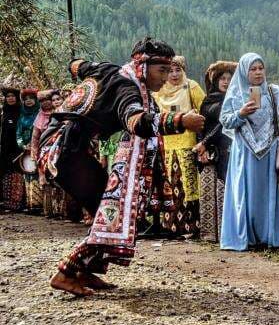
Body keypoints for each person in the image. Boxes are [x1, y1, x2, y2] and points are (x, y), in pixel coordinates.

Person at [41, 37, 205, 296]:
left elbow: (76, 65)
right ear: (141, 66)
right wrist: (181, 120)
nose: (164, 78)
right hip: (64, 150)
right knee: (111, 215)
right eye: (161, 70)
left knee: (104, 212)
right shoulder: (127, 89)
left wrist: (83, 79)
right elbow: (137, 123)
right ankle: (65, 273)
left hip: (62, 146)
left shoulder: (107, 69)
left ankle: (85, 270)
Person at [219, 52, 279, 251]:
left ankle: (267, 235)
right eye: (253, 69)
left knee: (265, 193)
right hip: (244, 152)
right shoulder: (236, 95)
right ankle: (246, 237)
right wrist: (241, 113)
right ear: (245, 71)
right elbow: (225, 120)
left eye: (261, 68)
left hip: (268, 153)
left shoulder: (273, 92)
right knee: (245, 193)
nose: (258, 72)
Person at [153, 56, 205, 236]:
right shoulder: (158, 92)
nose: (174, 75)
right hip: (165, 146)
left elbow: (205, 111)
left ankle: (193, 226)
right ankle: (171, 227)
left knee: (189, 187)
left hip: (188, 144)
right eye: (170, 71)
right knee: (169, 186)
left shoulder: (192, 87)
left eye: (178, 70)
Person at [196, 60, 236, 242]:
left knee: (224, 189)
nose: (226, 82)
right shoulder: (208, 100)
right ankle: (208, 233)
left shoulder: (234, 102)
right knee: (207, 190)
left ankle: (224, 231)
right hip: (207, 150)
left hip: (226, 148)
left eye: (229, 78)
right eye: (222, 78)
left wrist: (204, 142)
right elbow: (200, 125)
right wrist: (200, 146)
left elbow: (223, 125)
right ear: (216, 81)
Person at [31, 90, 56, 218]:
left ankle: (61, 211)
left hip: (58, 149)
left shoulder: (59, 113)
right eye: (42, 101)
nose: (45, 103)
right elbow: (35, 137)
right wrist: (34, 153)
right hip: (44, 151)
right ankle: (48, 211)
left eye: (47, 100)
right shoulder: (39, 117)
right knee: (45, 181)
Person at [17, 88, 41, 213]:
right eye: (26, 99)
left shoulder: (40, 114)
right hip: (26, 150)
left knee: (38, 173)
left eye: (31, 99)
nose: (29, 101)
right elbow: (18, 134)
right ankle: (31, 204)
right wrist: (22, 145)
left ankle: (40, 204)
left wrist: (35, 144)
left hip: (39, 147)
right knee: (28, 174)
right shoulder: (22, 117)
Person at [0, 87, 25, 212]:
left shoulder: (21, 112)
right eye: (8, 96)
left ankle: (18, 203)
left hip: (18, 149)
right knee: (6, 173)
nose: (10, 98)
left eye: (12, 96)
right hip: (5, 149)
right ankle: (7, 202)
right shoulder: (4, 112)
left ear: (17, 98)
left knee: (18, 174)